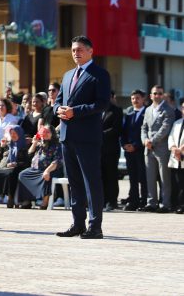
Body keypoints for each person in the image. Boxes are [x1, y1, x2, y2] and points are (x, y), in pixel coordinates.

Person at [54, 36, 110, 239]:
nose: (76, 53)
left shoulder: (100, 74)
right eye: (73, 50)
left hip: (87, 137)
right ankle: (78, 223)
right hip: (67, 136)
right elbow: (58, 101)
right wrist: (58, 109)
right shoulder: (68, 75)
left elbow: (102, 104)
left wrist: (74, 112)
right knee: (75, 182)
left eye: (79, 50)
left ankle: (95, 226)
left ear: (90, 51)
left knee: (91, 182)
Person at [140, 85, 174, 213]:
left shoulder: (168, 109)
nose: (157, 96)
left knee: (165, 178)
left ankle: (165, 204)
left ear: (163, 95)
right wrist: (145, 141)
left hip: (162, 148)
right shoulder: (148, 110)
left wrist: (152, 141)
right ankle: (151, 202)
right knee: (150, 177)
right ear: (150, 95)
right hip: (148, 148)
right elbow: (143, 127)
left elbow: (165, 128)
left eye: (160, 93)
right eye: (155, 93)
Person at [17, 126, 63, 209]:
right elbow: (29, 153)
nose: (45, 134)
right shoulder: (41, 143)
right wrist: (34, 143)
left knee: (47, 176)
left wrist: (47, 171)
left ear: (52, 133)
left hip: (51, 169)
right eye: (43, 132)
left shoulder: (57, 145)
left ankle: (45, 201)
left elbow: (57, 161)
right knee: (22, 174)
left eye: (47, 132)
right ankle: (27, 200)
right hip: (36, 169)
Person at [0, 126, 28, 208]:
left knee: (10, 174)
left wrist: (16, 164)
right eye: (11, 133)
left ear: (20, 134)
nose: (13, 135)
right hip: (4, 166)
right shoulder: (8, 144)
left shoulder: (25, 145)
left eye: (15, 133)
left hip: (17, 167)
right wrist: (2, 147)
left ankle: (10, 199)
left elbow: (27, 161)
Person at [120, 89, 148, 211]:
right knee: (132, 177)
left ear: (143, 99)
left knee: (143, 177)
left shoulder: (147, 113)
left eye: (137, 98)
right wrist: (124, 145)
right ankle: (134, 200)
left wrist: (136, 146)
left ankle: (144, 201)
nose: (134, 101)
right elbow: (122, 132)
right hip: (129, 151)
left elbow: (146, 132)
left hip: (141, 150)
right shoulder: (129, 114)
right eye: (132, 98)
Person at [101, 91, 123, 211]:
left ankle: (112, 201)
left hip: (111, 149)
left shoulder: (116, 110)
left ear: (111, 97)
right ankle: (103, 200)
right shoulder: (97, 109)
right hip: (98, 149)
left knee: (111, 175)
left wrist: (99, 134)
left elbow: (116, 129)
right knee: (101, 175)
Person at [167, 103, 184, 214]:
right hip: (175, 158)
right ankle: (175, 204)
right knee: (176, 183)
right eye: (183, 107)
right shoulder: (177, 123)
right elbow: (171, 137)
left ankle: (182, 206)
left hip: (182, 155)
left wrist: (181, 150)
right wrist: (174, 148)